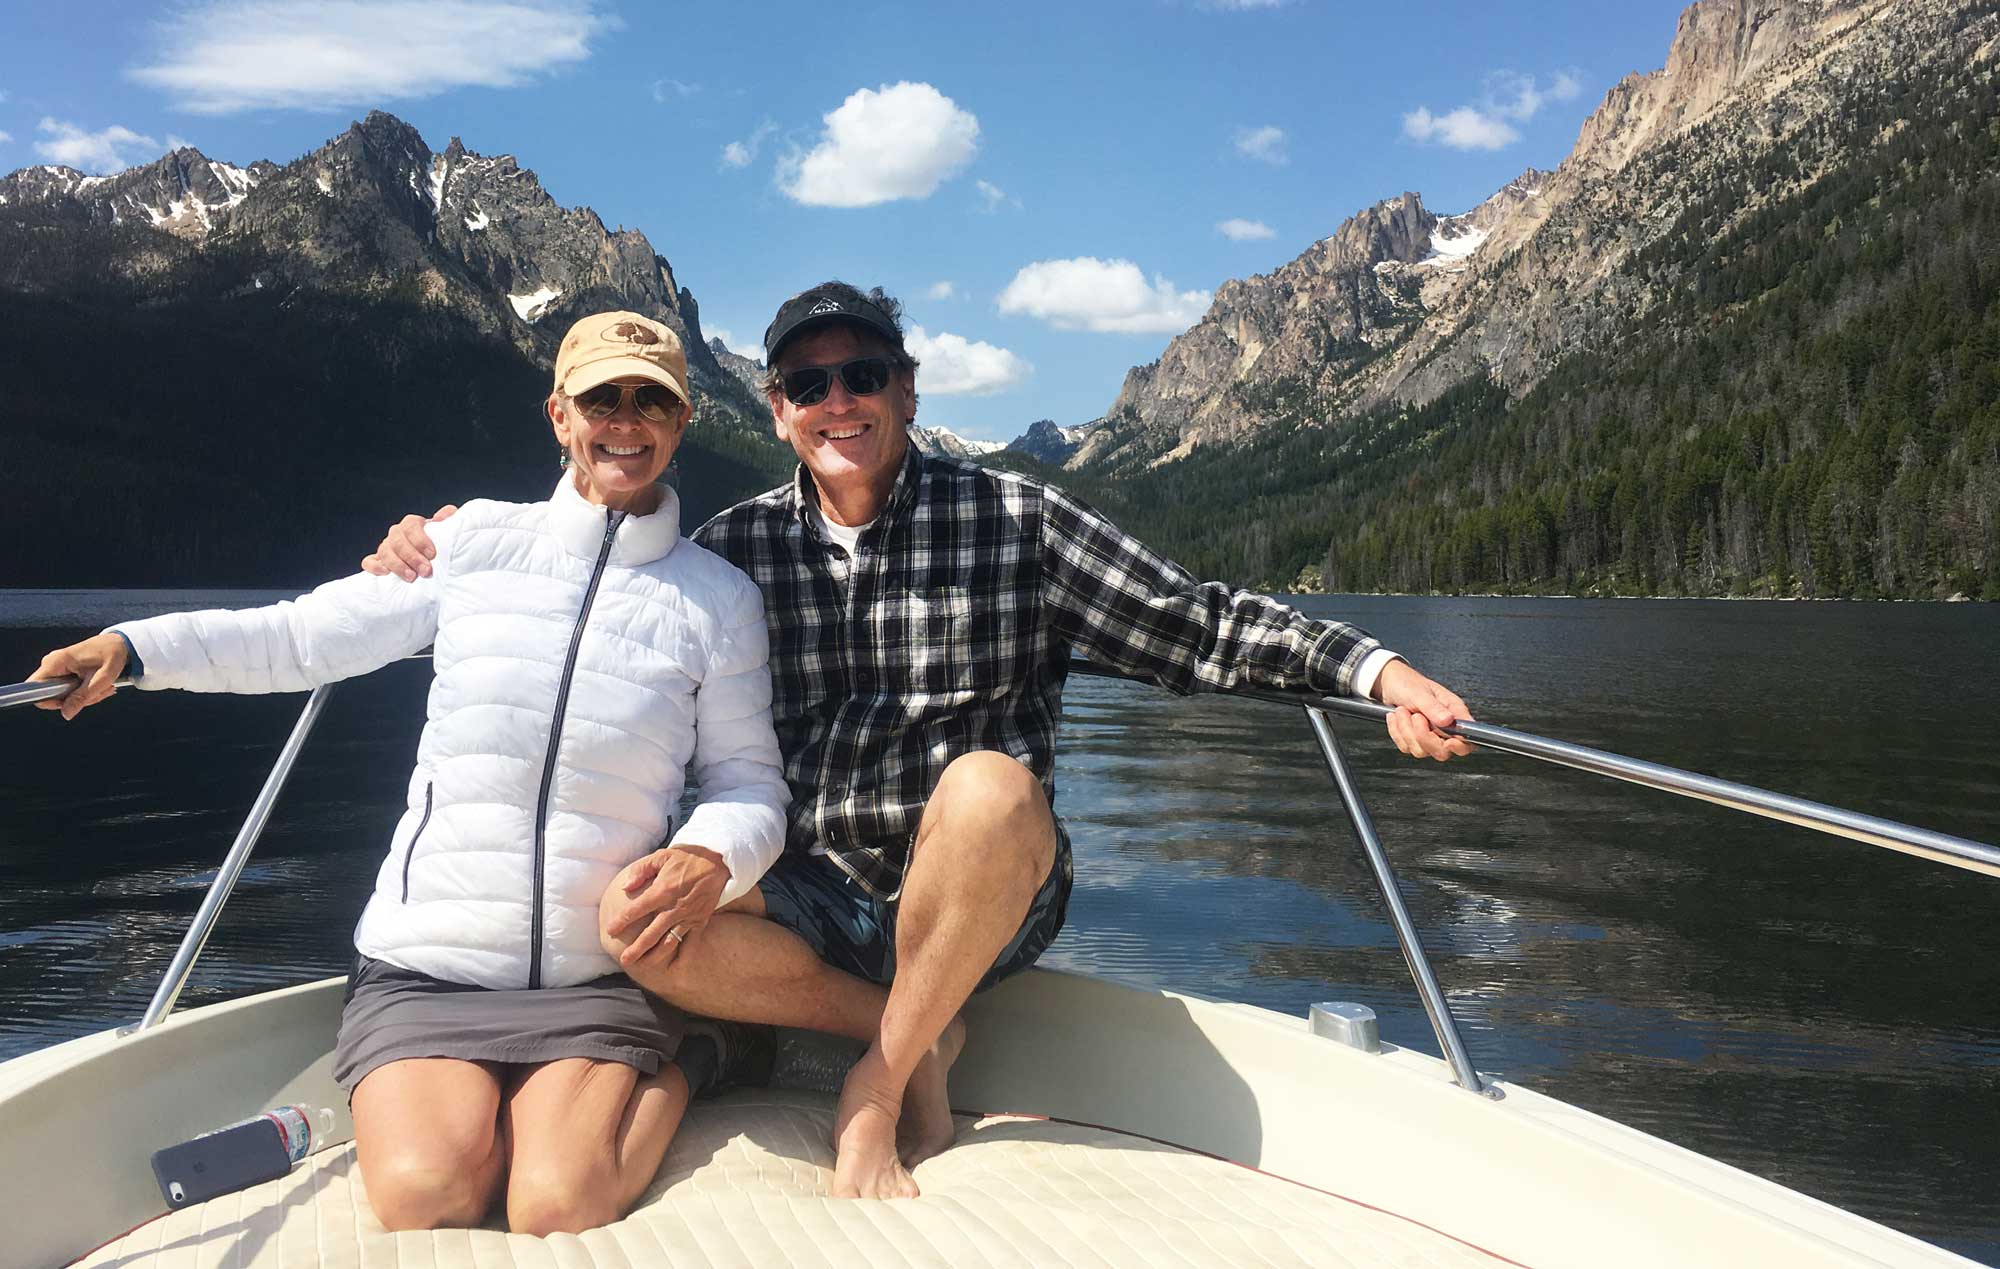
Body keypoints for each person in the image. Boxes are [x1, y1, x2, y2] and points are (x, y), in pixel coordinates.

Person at [365, 282, 1474, 1201]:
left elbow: (1197, 625)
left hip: (980, 888)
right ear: (778, 407)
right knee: (637, 916)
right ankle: (904, 1036)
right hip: (814, 889)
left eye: (861, 376)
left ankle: (880, 1087)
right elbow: (589, 617)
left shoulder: (1014, 521)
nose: (836, 401)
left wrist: (1375, 673)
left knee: (990, 787)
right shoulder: (732, 549)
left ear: (904, 389)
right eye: (808, 385)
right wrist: (441, 550)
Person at [30, 311, 789, 1234]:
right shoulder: (465, 544)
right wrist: (135, 646)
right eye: (602, 397)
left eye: (651, 399)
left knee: (560, 1199)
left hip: (599, 971)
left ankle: (700, 1046)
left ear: (680, 421)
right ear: (559, 415)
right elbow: (299, 636)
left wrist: (710, 854)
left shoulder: (718, 598)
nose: (625, 419)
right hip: (430, 964)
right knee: (427, 1194)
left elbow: (750, 782)